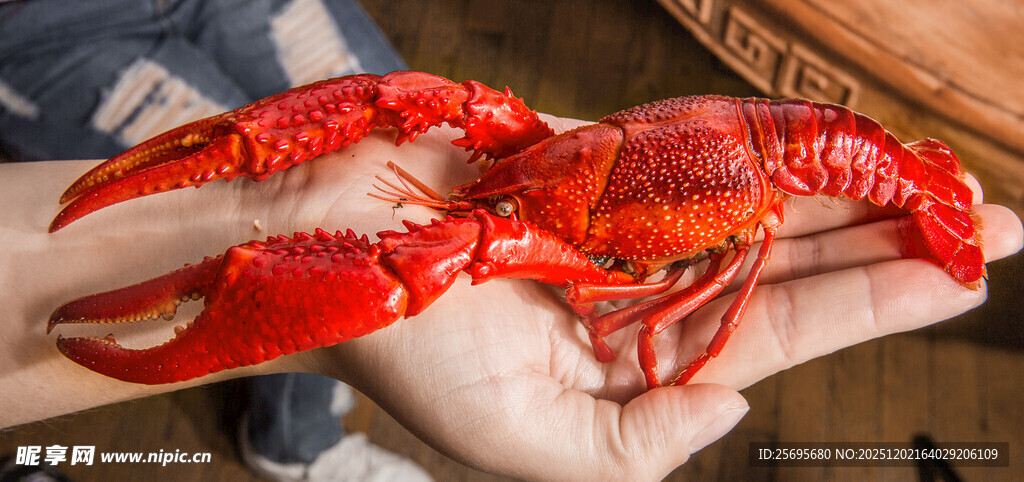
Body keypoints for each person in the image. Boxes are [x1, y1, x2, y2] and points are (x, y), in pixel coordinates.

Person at [0, 112, 1021, 480]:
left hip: (842, 164)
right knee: (408, 100)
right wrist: (277, 194)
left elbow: (674, 286)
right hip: (746, 144)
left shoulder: (789, 192)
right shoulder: (525, 161)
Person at [0, 0, 429, 480]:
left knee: (404, 151)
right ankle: (298, 441)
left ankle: (314, 403)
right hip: (35, 23)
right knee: (276, 220)